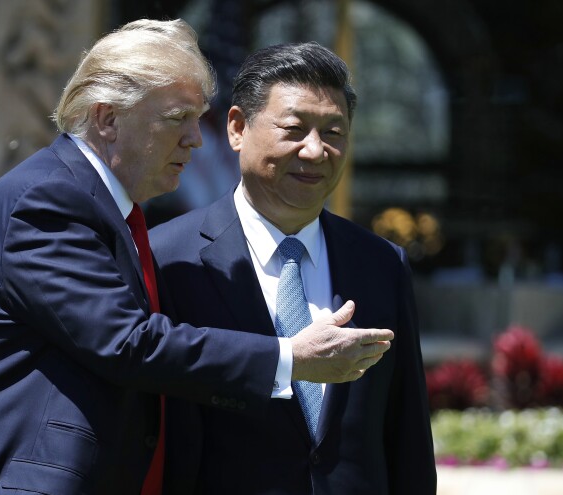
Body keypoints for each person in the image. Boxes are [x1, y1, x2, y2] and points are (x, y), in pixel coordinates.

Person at [0, 21, 395, 495]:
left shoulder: (107, 207)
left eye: (197, 120)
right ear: (108, 118)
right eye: (177, 120)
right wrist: (290, 356)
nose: (196, 139)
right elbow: (127, 343)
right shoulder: (48, 199)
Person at [150, 42, 437, 494]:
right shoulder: (167, 258)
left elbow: (406, 434)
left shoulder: (380, 263)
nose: (315, 150)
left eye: (335, 132)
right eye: (294, 129)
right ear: (238, 128)